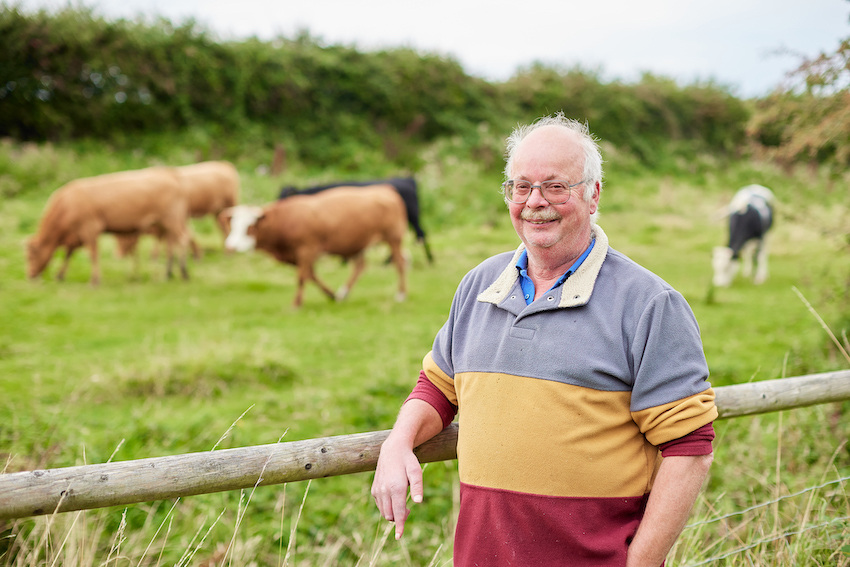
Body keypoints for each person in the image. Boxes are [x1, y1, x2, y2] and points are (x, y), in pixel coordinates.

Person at [371, 113, 718, 567]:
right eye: (521, 186)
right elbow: (438, 388)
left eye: (556, 186)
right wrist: (397, 443)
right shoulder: (479, 285)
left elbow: (689, 448)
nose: (535, 202)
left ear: (593, 194)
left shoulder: (650, 304)